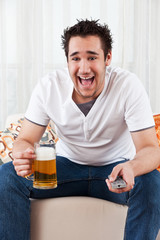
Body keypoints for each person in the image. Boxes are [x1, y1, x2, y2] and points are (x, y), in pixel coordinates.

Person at [0, 19, 160, 240]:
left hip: (115, 170)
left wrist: (132, 167)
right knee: (7, 175)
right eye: (76, 58)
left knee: (151, 180)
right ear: (67, 61)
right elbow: (25, 138)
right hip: (65, 168)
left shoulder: (128, 86)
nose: (84, 68)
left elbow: (150, 149)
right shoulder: (49, 87)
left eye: (92, 57)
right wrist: (22, 153)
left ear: (108, 58)